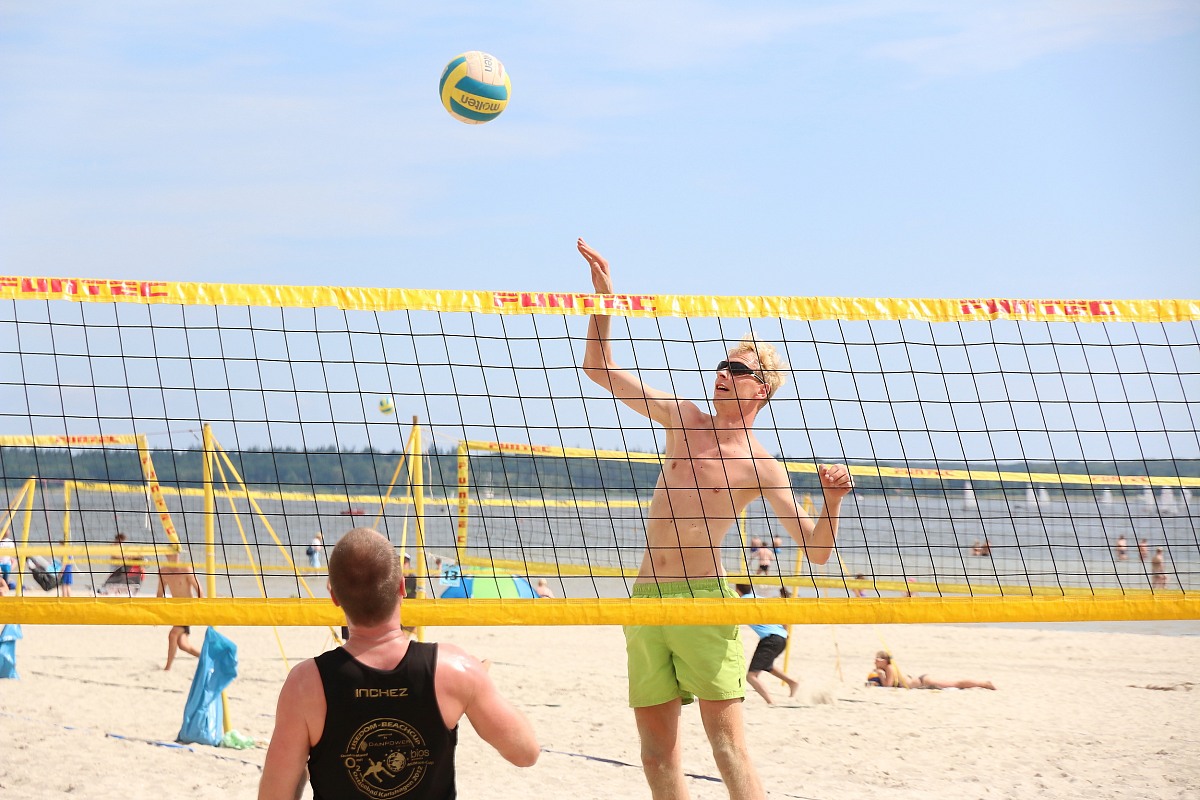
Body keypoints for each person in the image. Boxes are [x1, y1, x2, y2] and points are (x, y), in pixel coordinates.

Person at [578, 238, 854, 800]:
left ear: (762, 390)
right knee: (656, 754)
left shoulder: (761, 465)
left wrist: (832, 500)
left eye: (738, 368)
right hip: (645, 598)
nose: (724, 372)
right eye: (723, 364)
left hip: (704, 600)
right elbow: (599, 369)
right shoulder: (684, 419)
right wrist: (605, 300)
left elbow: (817, 550)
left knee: (728, 749)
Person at [259, 527, 538, 799]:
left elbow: (274, 795)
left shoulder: (304, 684)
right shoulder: (456, 669)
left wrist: (306, 758)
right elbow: (526, 753)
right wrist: (477, 682)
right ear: (403, 587)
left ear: (334, 596)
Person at [733, 584, 799, 705]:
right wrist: (786, 631)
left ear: (737, 590)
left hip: (771, 639)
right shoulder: (758, 598)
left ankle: (771, 702)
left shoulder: (741, 602)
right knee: (767, 665)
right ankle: (792, 682)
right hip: (781, 637)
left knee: (751, 676)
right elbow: (782, 614)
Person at [156, 551, 202, 670]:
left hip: (188, 609)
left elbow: (199, 590)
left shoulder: (186, 569)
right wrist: (156, 614)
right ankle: (205, 657)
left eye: (175, 553)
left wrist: (200, 609)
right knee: (183, 645)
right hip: (177, 611)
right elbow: (160, 594)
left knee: (173, 635)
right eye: (170, 553)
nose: (174, 556)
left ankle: (167, 668)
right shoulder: (163, 572)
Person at [867, 651, 995, 690]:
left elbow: (888, 686)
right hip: (921, 682)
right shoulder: (888, 668)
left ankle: (983, 684)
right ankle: (982, 684)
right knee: (955, 684)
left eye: (877, 659)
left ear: (883, 660)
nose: (874, 661)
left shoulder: (889, 668)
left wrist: (881, 675)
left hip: (923, 682)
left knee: (956, 684)